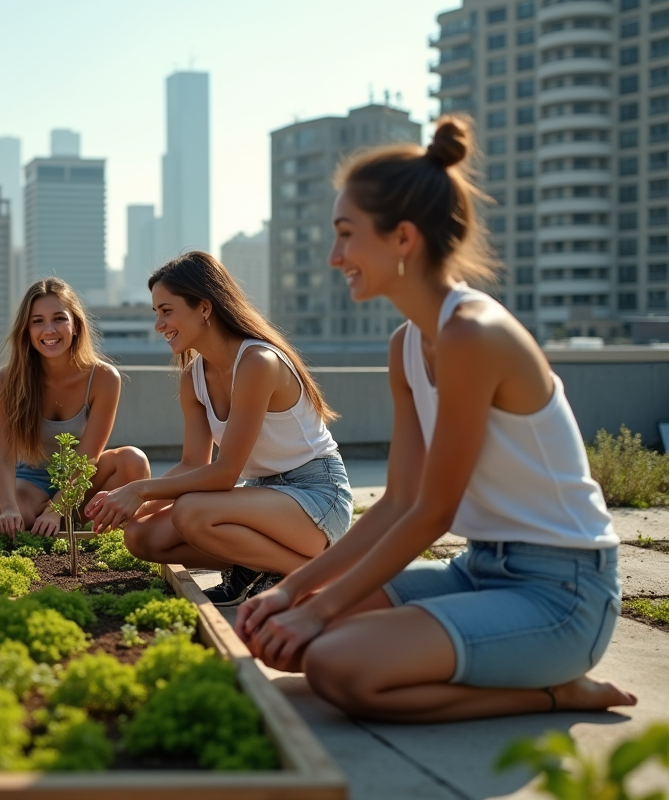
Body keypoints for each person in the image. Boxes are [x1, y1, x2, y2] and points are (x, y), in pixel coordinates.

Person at [235, 116, 636, 721]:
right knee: (282, 635)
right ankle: (476, 661)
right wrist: (294, 590)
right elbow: (399, 500)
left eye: (346, 235)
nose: (333, 255)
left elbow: (434, 511)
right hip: (479, 569)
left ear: (403, 238)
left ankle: (555, 692)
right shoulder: (405, 345)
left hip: (564, 594)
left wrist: (317, 607)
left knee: (336, 665)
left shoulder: (473, 334)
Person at [86, 252, 354, 605]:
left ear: (204, 308)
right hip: (262, 495)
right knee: (140, 537)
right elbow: (194, 465)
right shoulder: (193, 377)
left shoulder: (258, 362)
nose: (159, 325)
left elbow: (225, 473)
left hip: (317, 496)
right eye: (156, 313)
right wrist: (132, 507)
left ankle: (319, 575)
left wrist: (141, 489)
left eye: (167, 311)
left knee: (191, 512)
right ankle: (258, 567)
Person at [0, 278, 150, 536]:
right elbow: (3, 457)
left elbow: (90, 456)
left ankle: (67, 523)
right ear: (26, 331)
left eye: (59, 319)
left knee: (134, 462)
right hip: (27, 483)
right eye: (37, 321)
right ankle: (56, 524)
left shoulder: (104, 377)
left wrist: (56, 508)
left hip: (80, 479)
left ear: (75, 325)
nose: (49, 330)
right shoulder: (6, 382)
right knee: (21, 518)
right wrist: (8, 507)